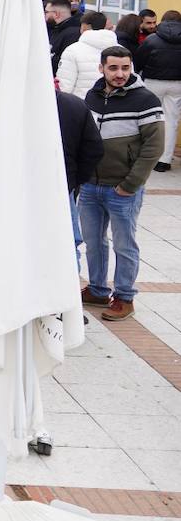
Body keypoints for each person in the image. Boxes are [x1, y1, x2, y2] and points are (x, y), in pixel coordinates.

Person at [81, 46, 165, 321]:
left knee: (124, 245)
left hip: (123, 189)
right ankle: (97, 290)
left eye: (125, 68)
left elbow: (154, 147)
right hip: (91, 186)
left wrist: (131, 184)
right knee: (93, 242)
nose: (120, 74)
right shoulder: (92, 96)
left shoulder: (146, 100)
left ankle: (125, 297)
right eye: (114, 68)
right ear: (101, 68)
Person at [56, 86, 104, 270]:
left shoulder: (11, 102)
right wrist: (74, 181)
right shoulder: (73, 104)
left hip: (22, 186)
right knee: (67, 243)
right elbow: (94, 149)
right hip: (63, 185)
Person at [134, 8, 181, 171]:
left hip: (153, 82)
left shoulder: (152, 39)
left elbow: (138, 61)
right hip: (177, 84)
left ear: (163, 20)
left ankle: (146, 155)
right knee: (171, 121)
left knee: (149, 118)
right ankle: (164, 160)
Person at [58, 11, 117, 100]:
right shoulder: (121, 50)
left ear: (85, 27)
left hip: (80, 104)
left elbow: (64, 86)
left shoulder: (73, 50)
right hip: (113, 103)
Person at [45, 0, 81, 74]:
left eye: (46, 12)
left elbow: (64, 62)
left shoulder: (73, 34)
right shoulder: (55, 29)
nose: (44, 15)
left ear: (56, 14)